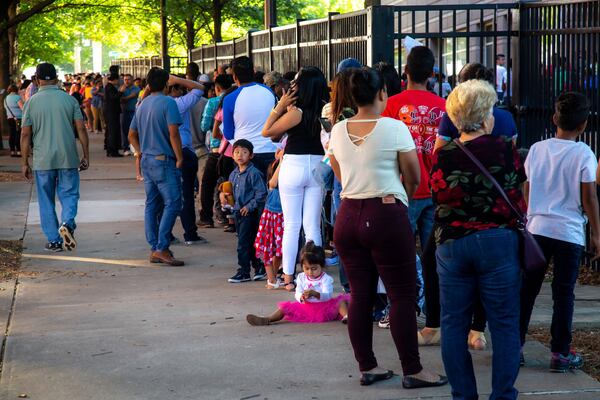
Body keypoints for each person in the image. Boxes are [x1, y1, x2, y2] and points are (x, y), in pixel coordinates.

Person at [328, 67, 447, 389]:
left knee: (360, 295)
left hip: (348, 215)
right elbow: (414, 175)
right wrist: (400, 197)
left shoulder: (338, 129)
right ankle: (413, 369)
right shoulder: (394, 128)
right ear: (382, 94)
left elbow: (337, 169)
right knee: (402, 295)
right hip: (386, 214)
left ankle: (368, 366)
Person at [431, 79, 525, 399]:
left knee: (454, 324)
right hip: (498, 241)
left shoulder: (443, 154)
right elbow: (519, 194)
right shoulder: (504, 150)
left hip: (452, 244)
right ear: (487, 116)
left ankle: (463, 395)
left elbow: (437, 197)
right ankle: (502, 395)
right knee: (504, 324)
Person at [520, 92, 600, 372]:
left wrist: (531, 211)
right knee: (564, 294)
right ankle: (560, 354)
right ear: (584, 125)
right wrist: (596, 233)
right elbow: (589, 197)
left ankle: (513, 346)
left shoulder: (537, 149)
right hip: (568, 232)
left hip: (537, 228)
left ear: (554, 118)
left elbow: (527, 186)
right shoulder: (584, 153)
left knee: (527, 290)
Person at [382, 45, 446, 313]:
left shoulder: (392, 105)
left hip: (401, 190)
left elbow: (384, 150)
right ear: (432, 73)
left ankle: (401, 307)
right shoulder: (444, 107)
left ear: (405, 71)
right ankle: (435, 311)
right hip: (435, 189)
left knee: (398, 255)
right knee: (436, 258)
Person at [262, 66, 329, 292]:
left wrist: (280, 106)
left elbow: (267, 132)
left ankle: (289, 279)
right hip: (319, 167)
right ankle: (316, 277)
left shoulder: (296, 113)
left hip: (293, 165)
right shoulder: (326, 111)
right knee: (312, 226)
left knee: (291, 225)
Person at [20, 63, 90, 252]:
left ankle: (54, 240)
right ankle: (67, 223)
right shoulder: (69, 100)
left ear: (37, 79)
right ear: (57, 78)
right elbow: (81, 128)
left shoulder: (31, 103)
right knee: (69, 195)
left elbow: (25, 135)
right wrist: (86, 154)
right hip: (68, 156)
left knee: (46, 199)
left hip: (43, 159)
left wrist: (24, 161)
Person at [128, 67, 185, 267]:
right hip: (163, 160)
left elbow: (131, 134)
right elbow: (174, 133)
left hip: (147, 160)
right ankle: (162, 247)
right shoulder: (168, 103)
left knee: (152, 204)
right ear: (167, 84)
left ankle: (155, 247)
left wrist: (140, 151)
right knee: (173, 202)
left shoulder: (142, 105)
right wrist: (179, 157)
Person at [246, 241, 349, 325]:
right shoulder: (301, 277)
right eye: (306, 268)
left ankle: (347, 317)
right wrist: (301, 297)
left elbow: (328, 295)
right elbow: (297, 292)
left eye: (314, 269)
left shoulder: (326, 279)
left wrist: (316, 294)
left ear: (322, 266)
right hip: (306, 307)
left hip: (324, 307)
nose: (310, 272)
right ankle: (268, 319)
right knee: (285, 308)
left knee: (341, 302)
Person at [166, 75, 207, 245]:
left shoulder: (153, 104)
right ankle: (190, 233)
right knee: (187, 195)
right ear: (174, 89)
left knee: (166, 196)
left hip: (165, 153)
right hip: (184, 151)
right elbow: (199, 88)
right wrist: (177, 79)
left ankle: (165, 234)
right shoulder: (178, 104)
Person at [219, 139, 268, 283]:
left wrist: (249, 206)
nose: (240, 155)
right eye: (237, 152)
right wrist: (225, 197)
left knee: (243, 244)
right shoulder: (233, 174)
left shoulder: (254, 173)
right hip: (238, 213)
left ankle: (244, 271)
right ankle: (259, 267)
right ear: (232, 155)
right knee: (249, 242)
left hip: (250, 214)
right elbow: (231, 193)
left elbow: (261, 194)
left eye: (244, 152)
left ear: (251, 155)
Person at [222, 56, 277, 177]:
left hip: (244, 155)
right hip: (271, 151)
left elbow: (228, 133)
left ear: (234, 77)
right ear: (253, 72)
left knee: (246, 195)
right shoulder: (269, 92)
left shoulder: (229, 98)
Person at [198, 74, 234, 228]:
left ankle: (206, 217)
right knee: (230, 184)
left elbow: (206, 127)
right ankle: (230, 219)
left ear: (217, 88)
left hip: (218, 149)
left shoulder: (215, 102)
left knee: (207, 183)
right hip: (237, 152)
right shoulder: (237, 101)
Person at [254, 157, 284, 289]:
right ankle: (271, 279)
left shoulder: (289, 190)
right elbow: (273, 182)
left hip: (281, 223)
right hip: (271, 222)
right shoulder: (272, 186)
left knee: (279, 253)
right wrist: (282, 162)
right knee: (268, 252)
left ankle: (273, 278)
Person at [119, 74, 141, 155]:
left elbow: (133, 95)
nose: (127, 81)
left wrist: (124, 98)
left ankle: (135, 147)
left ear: (132, 80)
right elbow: (119, 98)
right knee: (124, 130)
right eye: (125, 79)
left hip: (134, 112)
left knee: (134, 130)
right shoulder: (121, 88)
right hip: (124, 111)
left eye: (128, 79)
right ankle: (126, 148)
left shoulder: (136, 88)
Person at [103, 74, 123, 157]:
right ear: (115, 80)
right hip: (112, 112)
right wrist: (121, 92)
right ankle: (113, 151)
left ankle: (109, 149)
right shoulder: (110, 87)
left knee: (110, 131)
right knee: (113, 131)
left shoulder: (108, 86)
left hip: (110, 112)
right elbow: (114, 97)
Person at [4, 84, 23, 157]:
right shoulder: (17, 97)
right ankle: (18, 151)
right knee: (18, 134)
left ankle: (12, 151)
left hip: (10, 118)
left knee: (12, 134)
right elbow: (22, 108)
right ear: (16, 90)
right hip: (18, 119)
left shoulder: (6, 98)